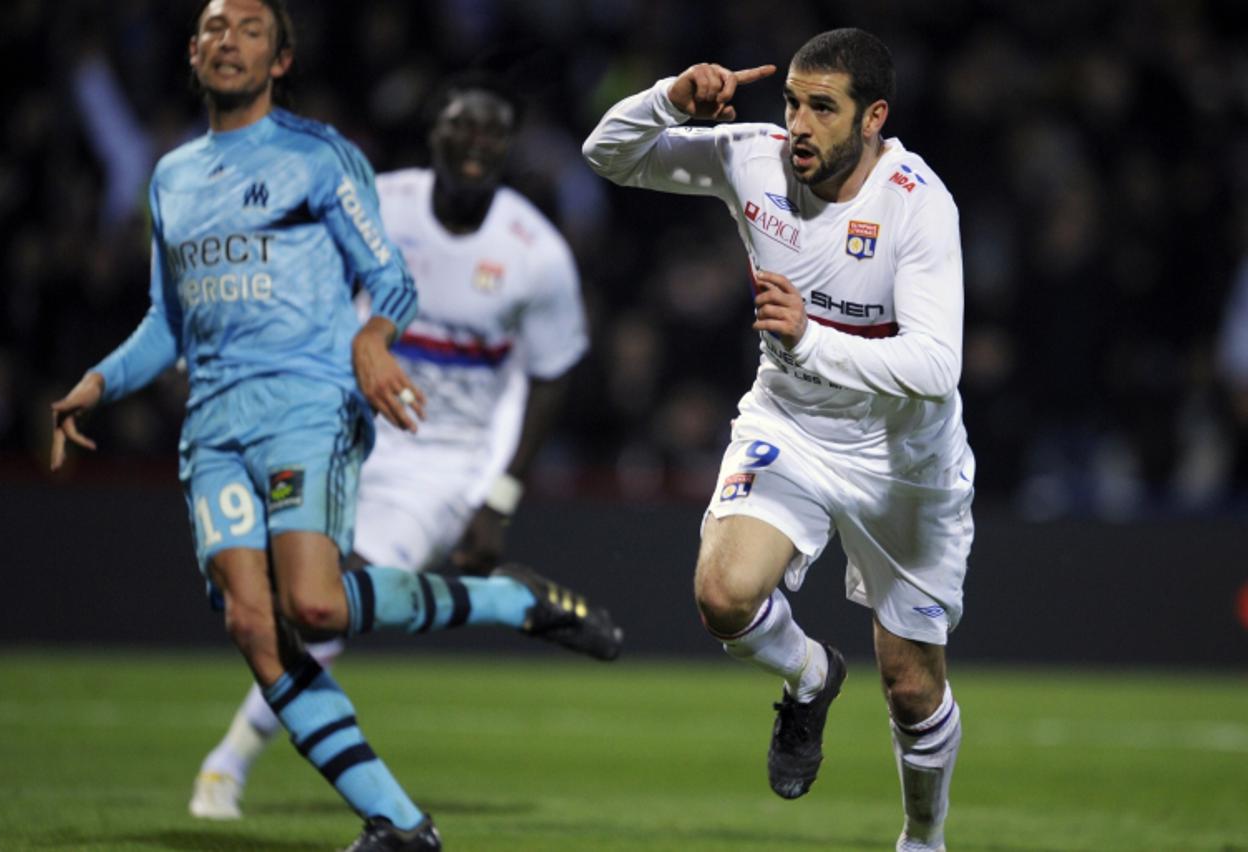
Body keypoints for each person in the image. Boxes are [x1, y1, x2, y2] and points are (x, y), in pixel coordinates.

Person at [50, 3, 619, 850]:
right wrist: (98, 381)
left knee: (317, 605)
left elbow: (391, 287)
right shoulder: (171, 179)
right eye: (214, 27)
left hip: (315, 410)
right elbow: (167, 321)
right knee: (256, 624)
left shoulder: (324, 160)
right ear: (192, 50)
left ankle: (499, 602)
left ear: (281, 60)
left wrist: (372, 337)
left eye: (250, 29)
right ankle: (396, 823)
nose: (228, 41)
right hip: (212, 427)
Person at [583, 28, 972, 852]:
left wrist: (808, 340)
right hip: (790, 426)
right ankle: (809, 678)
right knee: (723, 593)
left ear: (873, 118)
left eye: (822, 108)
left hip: (904, 462)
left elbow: (937, 364)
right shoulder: (750, 158)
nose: (798, 123)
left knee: (910, 687)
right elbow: (607, 154)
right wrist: (667, 101)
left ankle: (923, 839)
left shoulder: (917, 202)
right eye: (792, 101)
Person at [189, 73, 597, 820]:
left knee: (328, 598)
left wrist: (496, 498)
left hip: (443, 459)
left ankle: (231, 761)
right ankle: (496, 607)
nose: (475, 144)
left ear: (507, 147)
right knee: (276, 598)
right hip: (343, 425)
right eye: (460, 126)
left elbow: (552, 377)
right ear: (434, 131)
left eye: (492, 132)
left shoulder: (535, 251)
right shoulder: (377, 201)